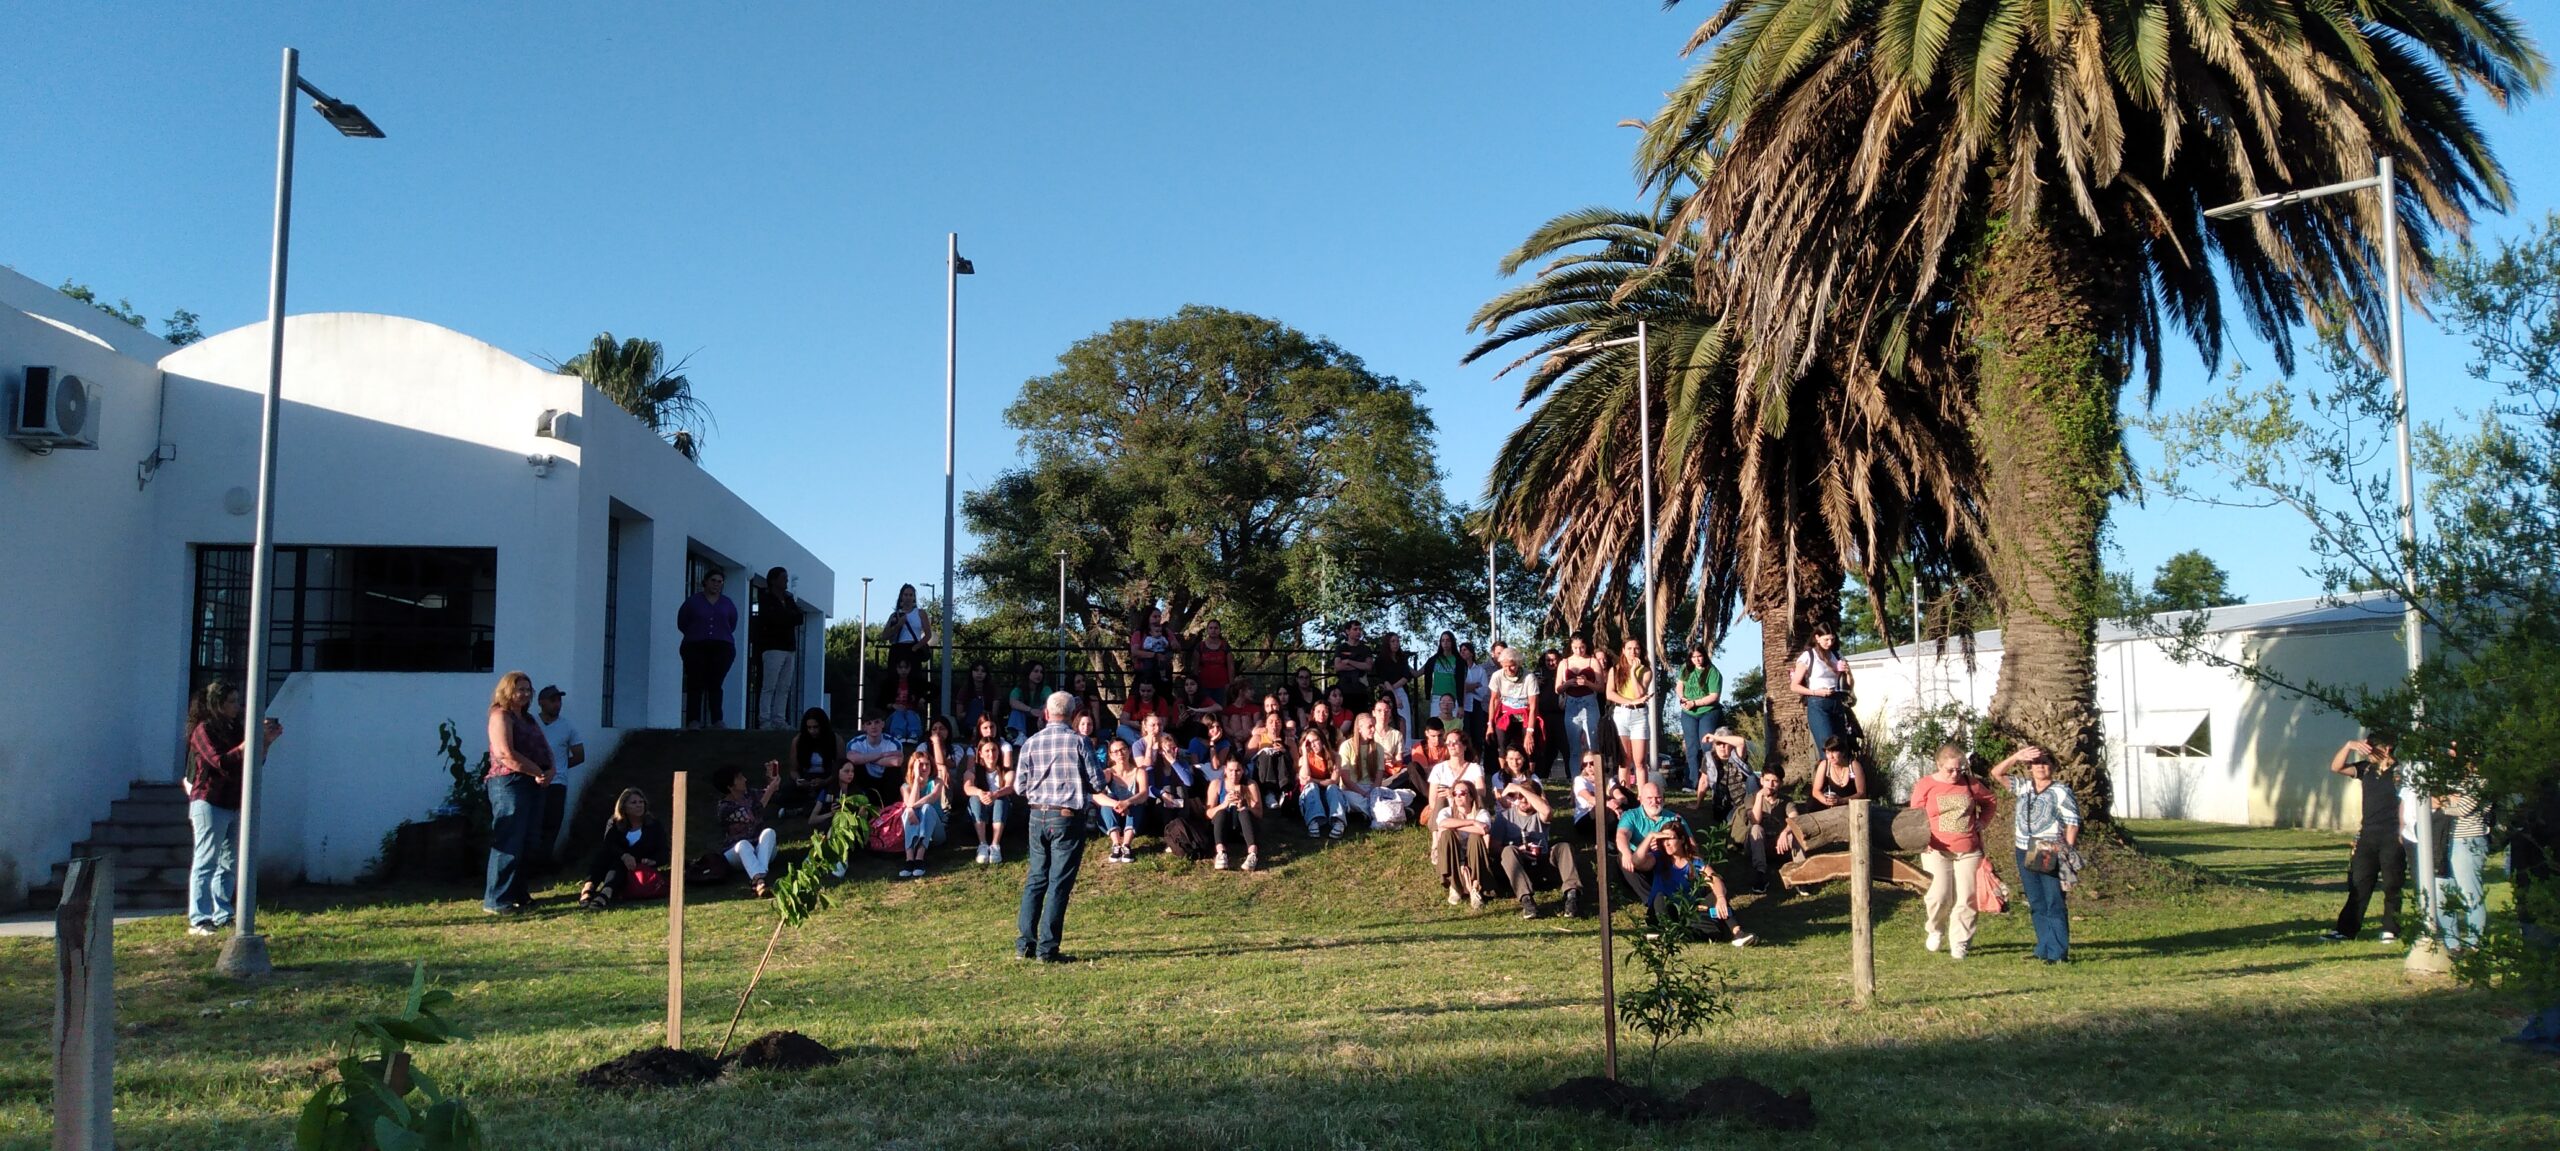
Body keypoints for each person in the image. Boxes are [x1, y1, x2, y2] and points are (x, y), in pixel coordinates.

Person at [1015, 692, 1106, 962]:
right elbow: (1098, 783)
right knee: (1059, 883)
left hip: (1036, 815)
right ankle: (1048, 949)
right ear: (1072, 714)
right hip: (1066, 816)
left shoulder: (1031, 742)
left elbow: (1020, 786)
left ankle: (1025, 945)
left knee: (1036, 879)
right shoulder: (1079, 742)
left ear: (1046, 713)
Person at [184, 680, 278, 935]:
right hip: (209, 801)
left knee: (229, 862)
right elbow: (219, 762)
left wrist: (265, 743)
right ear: (218, 705)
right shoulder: (203, 730)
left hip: (234, 802)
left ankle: (222, 913)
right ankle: (199, 918)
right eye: (232, 702)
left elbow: (251, 765)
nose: (237, 707)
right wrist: (248, 744)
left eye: (238, 701)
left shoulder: (235, 728)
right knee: (206, 860)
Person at [1989, 744, 2082, 963]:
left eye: (2045, 763)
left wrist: (2066, 852)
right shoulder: (2024, 787)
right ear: (2029, 767)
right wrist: (2016, 756)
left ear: (2053, 766)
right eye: (2035, 763)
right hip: (2023, 848)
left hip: (2047, 848)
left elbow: (2072, 822)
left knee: (2053, 900)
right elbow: (1996, 773)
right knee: (2037, 901)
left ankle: (2058, 952)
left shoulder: (2060, 791)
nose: (2040, 767)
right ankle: (2043, 947)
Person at [1910, 744, 1998, 959]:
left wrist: (1983, 822)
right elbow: (1914, 815)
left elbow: (1990, 802)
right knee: (1939, 894)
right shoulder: (1926, 785)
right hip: (1935, 849)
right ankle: (1935, 929)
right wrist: (1922, 837)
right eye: (1950, 770)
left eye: (1959, 770)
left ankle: (1960, 941)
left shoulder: (1971, 784)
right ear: (1939, 765)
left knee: (1967, 896)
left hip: (1968, 849)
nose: (1955, 774)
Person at [2323, 735, 2410, 942]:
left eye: (2371, 749)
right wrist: (2348, 745)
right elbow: (2336, 767)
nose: (2367, 753)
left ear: (2387, 749)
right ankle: (2346, 929)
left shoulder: (2400, 772)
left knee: (2392, 883)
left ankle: (2391, 928)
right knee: (2359, 882)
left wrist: (2403, 831)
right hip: (2368, 835)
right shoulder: (2366, 769)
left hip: (2392, 835)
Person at [482, 671, 554, 914]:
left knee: (529, 840)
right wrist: (536, 771)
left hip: (534, 782)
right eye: (519, 689)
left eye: (527, 689)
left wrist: (551, 769)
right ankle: (497, 899)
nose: (524, 694)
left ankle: (518, 893)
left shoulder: (529, 719)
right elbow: (505, 753)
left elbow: (544, 747)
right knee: (509, 838)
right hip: (509, 782)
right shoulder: (500, 716)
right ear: (507, 691)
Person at [1492, 773, 1586, 919]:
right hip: (1518, 867)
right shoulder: (1504, 817)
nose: (1523, 799)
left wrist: (1520, 788)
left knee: (1563, 847)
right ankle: (1527, 900)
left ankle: (1572, 895)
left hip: (1542, 862)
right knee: (1508, 851)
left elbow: (1547, 811)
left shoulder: (1539, 814)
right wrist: (1518, 850)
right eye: (1519, 796)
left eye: (1527, 796)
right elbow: (1494, 848)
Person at [1646, 823, 1757, 946]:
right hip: (1664, 912)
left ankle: (1737, 933)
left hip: (1687, 911)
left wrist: (1720, 898)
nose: (1666, 843)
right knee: (1660, 897)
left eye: (1670, 839)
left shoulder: (1694, 861)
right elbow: (1636, 861)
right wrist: (1650, 836)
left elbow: (1715, 878)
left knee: (1715, 895)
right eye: (1663, 839)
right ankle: (1666, 931)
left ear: (1682, 840)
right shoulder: (1657, 858)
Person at [578, 788, 667, 910]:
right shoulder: (615, 822)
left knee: (619, 865)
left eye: (641, 802)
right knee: (603, 856)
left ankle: (606, 892)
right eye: (634, 803)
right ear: (623, 806)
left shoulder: (654, 825)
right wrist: (624, 855)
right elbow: (608, 843)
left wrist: (653, 861)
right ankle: (588, 888)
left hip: (636, 867)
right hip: (612, 861)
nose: (639, 805)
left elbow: (664, 851)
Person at [2436, 768, 2492, 952]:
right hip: (2445, 840)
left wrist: (2440, 802)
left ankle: (2475, 942)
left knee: (2470, 893)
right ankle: (2453, 943)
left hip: (2468, 841)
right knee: (2441, 892)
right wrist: (2448, 799)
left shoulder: (2480, 779)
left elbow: (2463, 808)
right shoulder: (2452, 776)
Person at [676, 570, 738, 729]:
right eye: (713, 580)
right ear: (705, 582)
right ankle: (693, 720)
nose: (716, 584)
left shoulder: (727, 603)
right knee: (695, 681)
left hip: (721, 646)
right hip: (695, 645)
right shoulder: (693, 601)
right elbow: (683, 621)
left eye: (719, 581)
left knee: (715, 682)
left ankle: (717, 719)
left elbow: (732, 622)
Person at [533, 685, 586, 871]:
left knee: (552, 825)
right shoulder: (531, 724)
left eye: (559, 700)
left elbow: (579, 755)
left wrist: (559, 768)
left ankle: (543, 865)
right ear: (541, 702)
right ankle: (530, 864)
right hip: (532, 781)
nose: (557, 704)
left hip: (557, 784)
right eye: (552, 700)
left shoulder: (567, 727)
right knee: (533, 824)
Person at [715, 762, 787, 898]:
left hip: (761, 850)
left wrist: (772, 780)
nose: (745, 780)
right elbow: (753, 814)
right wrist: (771, 789)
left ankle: (758, 879)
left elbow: (771, 794)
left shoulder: (750, 794)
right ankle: (760, 879)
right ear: (730, 786)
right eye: (740, 778)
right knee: (743, 844)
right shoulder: (725, 808)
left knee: (769, 832)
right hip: (738, 855)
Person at [1614, 781, 1686, 905]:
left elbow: (1690, 843)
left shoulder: (1674, 819)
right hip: (1637, 863)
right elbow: (1622, 835)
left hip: (1664, 861)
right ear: (1640, 799)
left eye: (1658, 798)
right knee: (1624, 857)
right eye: (1650, 798)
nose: (1654, 802)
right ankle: (1651, 900)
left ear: (1663, 798)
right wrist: (1626, 853)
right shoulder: (1631, 816)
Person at [1789, 626, 1854, 751]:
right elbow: (1794, 686)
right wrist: (1816, 692)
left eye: (1832, 640)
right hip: (1818, 702)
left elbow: (1849, 685)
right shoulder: (1808, 656)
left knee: (1842, 748)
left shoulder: (1837, 654)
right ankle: (1826, 768)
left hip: (1836, 700)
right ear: (1817, 638)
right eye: (1826, 640)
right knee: (1828, 747)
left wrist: (1848, 673)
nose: (1829, 643)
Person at [1743, 766, 1806, 893]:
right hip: (1758, 844)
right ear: (1761, 781)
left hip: (1779, 844)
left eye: (1775, 781)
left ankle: (1801, 873)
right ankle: (1760, 874)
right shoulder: (1751, 798)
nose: (1770, 785)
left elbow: (1795, 819)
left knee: (1795, 832)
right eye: (1767, 780)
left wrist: (1785, 832)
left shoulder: (1786, 800)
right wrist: (1760, 798)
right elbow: (1755, 820)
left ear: (1780, 783)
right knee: (1756, 829)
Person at [752, 566, 799, 730]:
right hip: (773, 647)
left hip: (789, 647)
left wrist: (788, 613)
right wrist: (788, 617)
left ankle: (779, 718)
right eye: (783, 578)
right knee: (769, 685)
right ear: (773, 580)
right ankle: (764, 719)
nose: (786, 581)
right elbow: (774, 618)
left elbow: (798, 617)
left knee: (784, 686)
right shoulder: (766, 598)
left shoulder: (788, 599)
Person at [1672, 648, 1725, 792]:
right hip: (1689, 713)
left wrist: (1695, 703)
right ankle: (1692, 782)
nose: (1697, 660)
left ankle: (1712, 780)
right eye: (1693, 657)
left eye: (1699, 656)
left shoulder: (1713, 672)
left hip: (1708, 711)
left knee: (1707, 746)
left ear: (1704, 656)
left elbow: (1714, 696)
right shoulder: (1686, 669)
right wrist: (1683, 698)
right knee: (1692, 747)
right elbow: (1679, 685)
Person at [1437, 781, 1495, 909]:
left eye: (1462, 793)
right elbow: (1442, 823)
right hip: (1455, 852)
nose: (1458, 796)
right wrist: (1473, 822)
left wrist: (1456, 826)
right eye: (1455, 793)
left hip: (1475, 853)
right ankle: (1454, 885)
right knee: (1447, 834)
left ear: (1471, 796)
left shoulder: (1482, 813)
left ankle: (1476, 888)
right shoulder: (1446, 811)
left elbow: (1482, 830)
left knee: (1475, 838)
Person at [1556, 635, 1606, 774]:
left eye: (1582, 647)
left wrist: (1588, 683)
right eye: (1575, 648)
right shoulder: (1564, 663)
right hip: (1572, 705)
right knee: (1574, 748)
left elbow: (1601, 687)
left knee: (1592, 744)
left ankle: (1595, 779)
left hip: (1589, 702)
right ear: (1571, 647)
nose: (1579, 650)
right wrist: (1567, 684)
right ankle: (1575, 780)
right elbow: (1557, 688)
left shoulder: (1593, 661)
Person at [1606, 638, 1655, 781]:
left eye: (1636, 648)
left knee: (1640, 762)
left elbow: (1640, 693)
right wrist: (1630, 702)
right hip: (1621, 713)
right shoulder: (1614, 670)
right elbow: (1610, 694)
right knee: (1624, 761)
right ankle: (1625, 795)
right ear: (1623, 651)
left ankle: (1643, 797)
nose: (1633, 652)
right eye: (1629, 648)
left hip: (1639, 715)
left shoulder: (1646, 671)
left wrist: (1633, 672)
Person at [1207, 748, 1263, 871]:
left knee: (1243, 812)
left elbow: (1259, 813)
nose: (1234, 774)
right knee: (1220, 812)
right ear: (1225, 770)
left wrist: (1244, 806)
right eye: (1231, 770)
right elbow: (1209, 813)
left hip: (1244, 830)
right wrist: (1224, 804)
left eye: (1237, 771)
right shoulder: (1217, 784)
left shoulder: (1250, 785)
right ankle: (1221, 853)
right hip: (1224, 829)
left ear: (1243, 770)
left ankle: (1252, 854)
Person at [1486, 645, 1542, 762]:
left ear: (1518, 663)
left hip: (1525, 714)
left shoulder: (1529, 677)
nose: (1509, 669)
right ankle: (1504, 774)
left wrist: (1530, 732)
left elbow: (1533, 706)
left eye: (1512, 665)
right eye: (1506, 666)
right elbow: (1494, 700)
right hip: (1506, 714)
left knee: (1529, 746)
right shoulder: (1497, 676)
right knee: (1501, 744)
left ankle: (1529, 775)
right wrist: (1490, 724)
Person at [896, 753, 945, 879]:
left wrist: (911, 807)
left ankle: (919, 857)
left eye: (926, 764)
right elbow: (909, 802)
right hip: (915, 830)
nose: (924, 768)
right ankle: (909, 858)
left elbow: (932, 798)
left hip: (936, 833)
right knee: (908, 812)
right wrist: (917, 779)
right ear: (913, 767)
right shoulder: (905, 787)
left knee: (926, 808)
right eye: (920, 765)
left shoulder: (937, 782)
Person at [844, 715, 904, 806]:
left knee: (895, 770)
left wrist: (865, 759)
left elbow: (897, 761)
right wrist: (882, 755)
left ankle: (888, 807)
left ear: (883, 724)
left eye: (877, 722)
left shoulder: (893, 742)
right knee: (855, 767)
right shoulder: (856, 742)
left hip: (886, 780)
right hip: (866, 780)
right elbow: (852, 759)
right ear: (864, 727)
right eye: (869, 723)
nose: (873, 726)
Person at [1298, 729, 1347, 839]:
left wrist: (1313, 780)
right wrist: (1305, 753)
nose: (1313, 745)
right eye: (1309, 743)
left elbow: (1334, 780)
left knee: (1332, 788)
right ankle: (1314, 821)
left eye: (1315, 741)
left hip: (1329, 796)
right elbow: (1304, 779)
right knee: (1311, 787)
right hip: (1312, 798)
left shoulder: (1335, 757)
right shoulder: (1304, 759)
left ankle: (1338, 821)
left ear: (1322, 740)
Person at [883, 583, 935, 679]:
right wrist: (898, 625)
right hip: (897, 648)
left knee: (914, 679)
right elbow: (884, 635)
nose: (908, 598)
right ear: (901, 597)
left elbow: (928, 634)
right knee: (895, 679)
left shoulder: (920, 613)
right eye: (906, 595)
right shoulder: (895, 615)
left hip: (912, 648)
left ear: (914, 598)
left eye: (911, 595)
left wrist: (916, 647)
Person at [787, 708, 843, 791]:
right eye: (809, 727)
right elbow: (793, 770)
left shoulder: (836, 740)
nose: (812, 731)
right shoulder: (798, 740)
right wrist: (799, 780)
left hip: (828, 780)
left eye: (815, 727)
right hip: (805, 778)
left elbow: (841, 768)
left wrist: (825, 781)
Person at [1373, 633, 1415, 742]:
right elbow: (1384, 679)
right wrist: (1394, 695)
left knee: (1405, 721)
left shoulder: (1402, 658)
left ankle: (1406, 749)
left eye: (1397, 641)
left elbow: (1406, 676)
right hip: (1387, 692)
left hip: (1400, 689)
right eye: (1393, 641)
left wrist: (1394, 688)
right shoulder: (1381, 660)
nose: (1396, 644)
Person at [1807, 738, 1869, 810]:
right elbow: (1816, 791)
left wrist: (1841, 801)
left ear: (1843, 752)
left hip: (1849, 806)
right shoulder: (1824, 765)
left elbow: (1861, 793)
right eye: (1828, 753)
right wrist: (1827, 801)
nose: (1831, 756)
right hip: (1827, 806)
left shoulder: (1854, 766)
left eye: (1834, 752)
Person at [1424, 632, 1468, 733]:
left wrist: (1461, 705)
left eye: (1448, 640)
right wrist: (1427, 696)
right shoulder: (1434, 660)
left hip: (1454, 698)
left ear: (1452, 642)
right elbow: (1426, 675)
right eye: (1443, 640)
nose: (1445, 643)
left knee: (1455, 729)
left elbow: (1462, 684)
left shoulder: (1459, 661)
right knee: (1434, 728)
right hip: (1437, 698)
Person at [1333, 620, 1376, 715]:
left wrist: (1348, 661)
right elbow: (1338, 666)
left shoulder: (1365, 649)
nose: (1358, 632)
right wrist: (1359, 665)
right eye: (1355, 629)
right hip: (1344, 689)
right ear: (1348, 631)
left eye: (1360, 629)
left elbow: (1368, 666)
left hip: (1360, 690)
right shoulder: (1341, 647)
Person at [882, 655, 927, 746]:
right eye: (901, 667)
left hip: (912, 713)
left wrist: (920, 703)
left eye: (906, 667)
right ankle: (898, 734)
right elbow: (882, 703)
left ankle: (914, 734)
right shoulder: (889, 684)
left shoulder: (915, 685)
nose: (903, 670)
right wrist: (893, 705)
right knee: (899, 713)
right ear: (897, 669)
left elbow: (922, 707)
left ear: (910, 668)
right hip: (894, 716)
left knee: (911, 714)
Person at [1190, 619, 1236, 704]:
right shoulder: (1200, 646)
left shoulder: (1225, 646)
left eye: (1216, 628)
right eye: (1211, 628)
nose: (1213, 630)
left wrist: (1231, 684)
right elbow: (1195, 667)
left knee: (1220, 710)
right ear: (1207, 630)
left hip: (1222, 685)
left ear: (1219, 630)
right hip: (1204, 685)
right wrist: (1196, 685)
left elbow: (1231, 666)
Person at [1460, 640, 1491, 755]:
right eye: (1461, 650)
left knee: (1477, 735)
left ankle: (1477, 760)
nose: (1462, 653)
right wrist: (1473, 686)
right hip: (1464, 705)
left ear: (1471, 653)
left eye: (1465, 650)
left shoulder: (1480, 670)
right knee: (1465, 734)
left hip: (1477, 705)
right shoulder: (1458, 670)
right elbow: (1458, 687)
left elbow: (1484, 690)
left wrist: (1468, 687)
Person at [1007, 662, 1050, 739]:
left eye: (1041, 672)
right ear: (1028, 672)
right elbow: (1012, 702)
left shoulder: (1045, 688)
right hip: (1025, 716)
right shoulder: (1018, 689)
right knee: (1016, 711)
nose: (1039, 674)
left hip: (1040, 715)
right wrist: (1030, 710)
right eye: (1036, 671)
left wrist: (1041, 716)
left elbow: (1050, 701)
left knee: (1047, 708)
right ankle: (1020, 736)